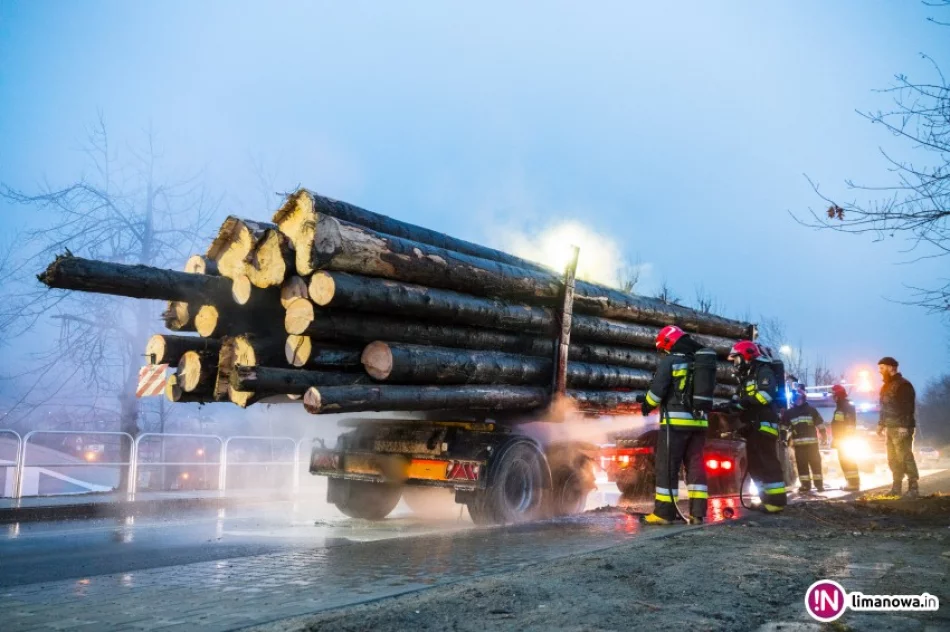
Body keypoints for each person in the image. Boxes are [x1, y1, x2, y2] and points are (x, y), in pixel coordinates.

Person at [640, 325, 708, 525]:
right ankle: (698, 513)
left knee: (667, 467)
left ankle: (664, 513)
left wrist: (646, 405)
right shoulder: (699, 362)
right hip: (700, 423)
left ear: (669, 343)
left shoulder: (671, 361)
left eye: (664, 348)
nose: (664, 352)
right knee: (696, 467)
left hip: (675, 424)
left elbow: (656, 392)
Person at [728, 341, 787, 512]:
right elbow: (741, 399)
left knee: (767, 462)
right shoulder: (747, 376)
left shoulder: (764, 371)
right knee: (755, 465)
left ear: (746, 355)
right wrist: (732, 405)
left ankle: (776, 502)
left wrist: (744, 402)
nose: (735, 363)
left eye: (736, 359)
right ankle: (766, 499)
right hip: (753, 425)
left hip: (764, 424)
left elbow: (765, 395)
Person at [877, 357, 919, 499]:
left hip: (901, 428)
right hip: (890, 428)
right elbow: (884, 408)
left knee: (905, 457)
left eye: (882, 368)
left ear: (891, 367)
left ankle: (913, 488)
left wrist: (904, 426)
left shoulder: (903, 385)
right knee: (893, 459)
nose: (880, 371)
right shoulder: (885, 386)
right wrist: (881, 424)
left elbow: (908, 408)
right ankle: (896, 488)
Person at [781, 388, 827, 493]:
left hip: (812, 445)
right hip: (799, 445)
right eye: (795, 399)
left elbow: (820, 424)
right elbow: (784, 426)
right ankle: (806, 485)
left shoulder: (812, 410)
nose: (796, 400)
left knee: (815, 464)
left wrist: (823, 435)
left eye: (798, 398)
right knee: (802, 466)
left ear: (802, 399)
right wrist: (783, 438)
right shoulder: (790, 413)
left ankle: (819, 485)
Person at [830, 384, 860, 491]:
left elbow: (850, 424)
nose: (832, 397)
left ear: (837, 395)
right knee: (844, 461)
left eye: (833, 394)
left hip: (845, 440)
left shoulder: (846, 406)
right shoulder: (841, 406)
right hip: (841, 440)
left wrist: (845, 439)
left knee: (848, 461)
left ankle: (853, 483)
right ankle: (850, 482)